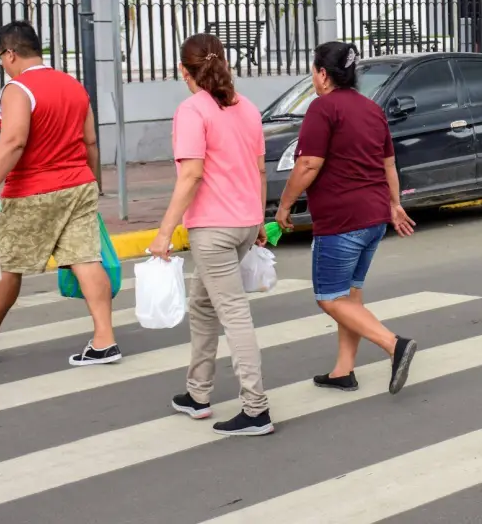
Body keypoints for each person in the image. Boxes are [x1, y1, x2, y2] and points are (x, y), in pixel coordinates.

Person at [0, 21, 120, 367]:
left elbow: (14, 141)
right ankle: (104, 340)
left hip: (31, 189)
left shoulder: (18, 89)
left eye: (0, 58)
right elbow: (91, 141)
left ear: (9, 53)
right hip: (79, 184)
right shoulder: (73, 86)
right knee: (85, 257)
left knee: (7, 264)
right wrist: (94, 183)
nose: (2, 65)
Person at [148, 33, 273, 437]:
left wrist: (165, 232)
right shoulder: (248, 108)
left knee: (232, 312)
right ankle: (197, 394)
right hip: (243, 224)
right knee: (202, 304)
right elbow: (259, 170)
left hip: (214, 229)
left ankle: (256, 409)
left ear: (184, 70)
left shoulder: (191, 110)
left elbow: (191, 174)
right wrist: (257, 221)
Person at [275, 42, 417, 395]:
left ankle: (393, 344)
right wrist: (394, 204)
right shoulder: (372, 109)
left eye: (313, 71)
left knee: (329, 298)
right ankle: (343, 371)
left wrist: (284, 205)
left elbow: (308, 164)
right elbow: (388, 164)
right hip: (373, 218)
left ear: (323, 74)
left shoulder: (322, 109)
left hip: (342, 219)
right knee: (350, 297)